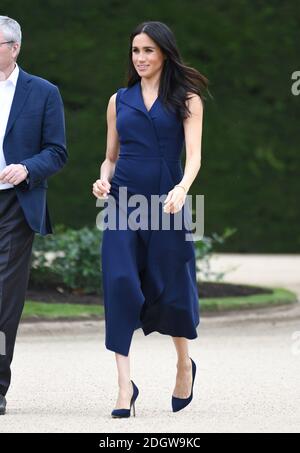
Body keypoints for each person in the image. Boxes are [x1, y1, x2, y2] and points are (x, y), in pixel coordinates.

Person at [93, 21, 206, 417]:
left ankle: (183, 363)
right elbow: (111, 155)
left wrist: (181, 189)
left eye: (148, 51)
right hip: (123, 201)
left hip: (167, 201)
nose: (140, 58)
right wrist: (102, 180)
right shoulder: (117, 100)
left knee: (171, 284)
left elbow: (193, 156)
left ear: (164, 54)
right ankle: (125, 388)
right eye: (135, 51)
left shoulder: (187, 98)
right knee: (120, 282)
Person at [0, 16, 67, 415]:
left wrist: (27, 167)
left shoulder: (42, 93)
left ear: (14, 48)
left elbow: (57, 152)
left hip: (15, 205)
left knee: (4, 299)